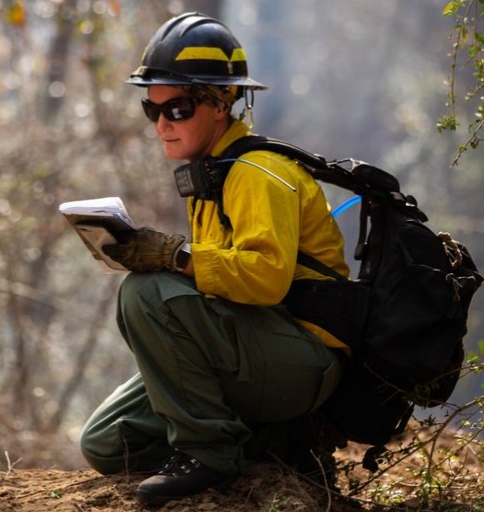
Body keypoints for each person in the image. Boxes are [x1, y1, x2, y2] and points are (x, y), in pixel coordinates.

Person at [78, 12, 351, 506]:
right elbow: (219, 288)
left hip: (302, 363)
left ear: (220, 103)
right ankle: (277, 441)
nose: (161, 124)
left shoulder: (257, 172)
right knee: (108, 442)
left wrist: (173, 256)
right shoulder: (212, 175)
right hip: (255, 350)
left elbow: (266, 280)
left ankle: (209, 452)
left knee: (144, 292)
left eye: (177, 109)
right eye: (152, 109)